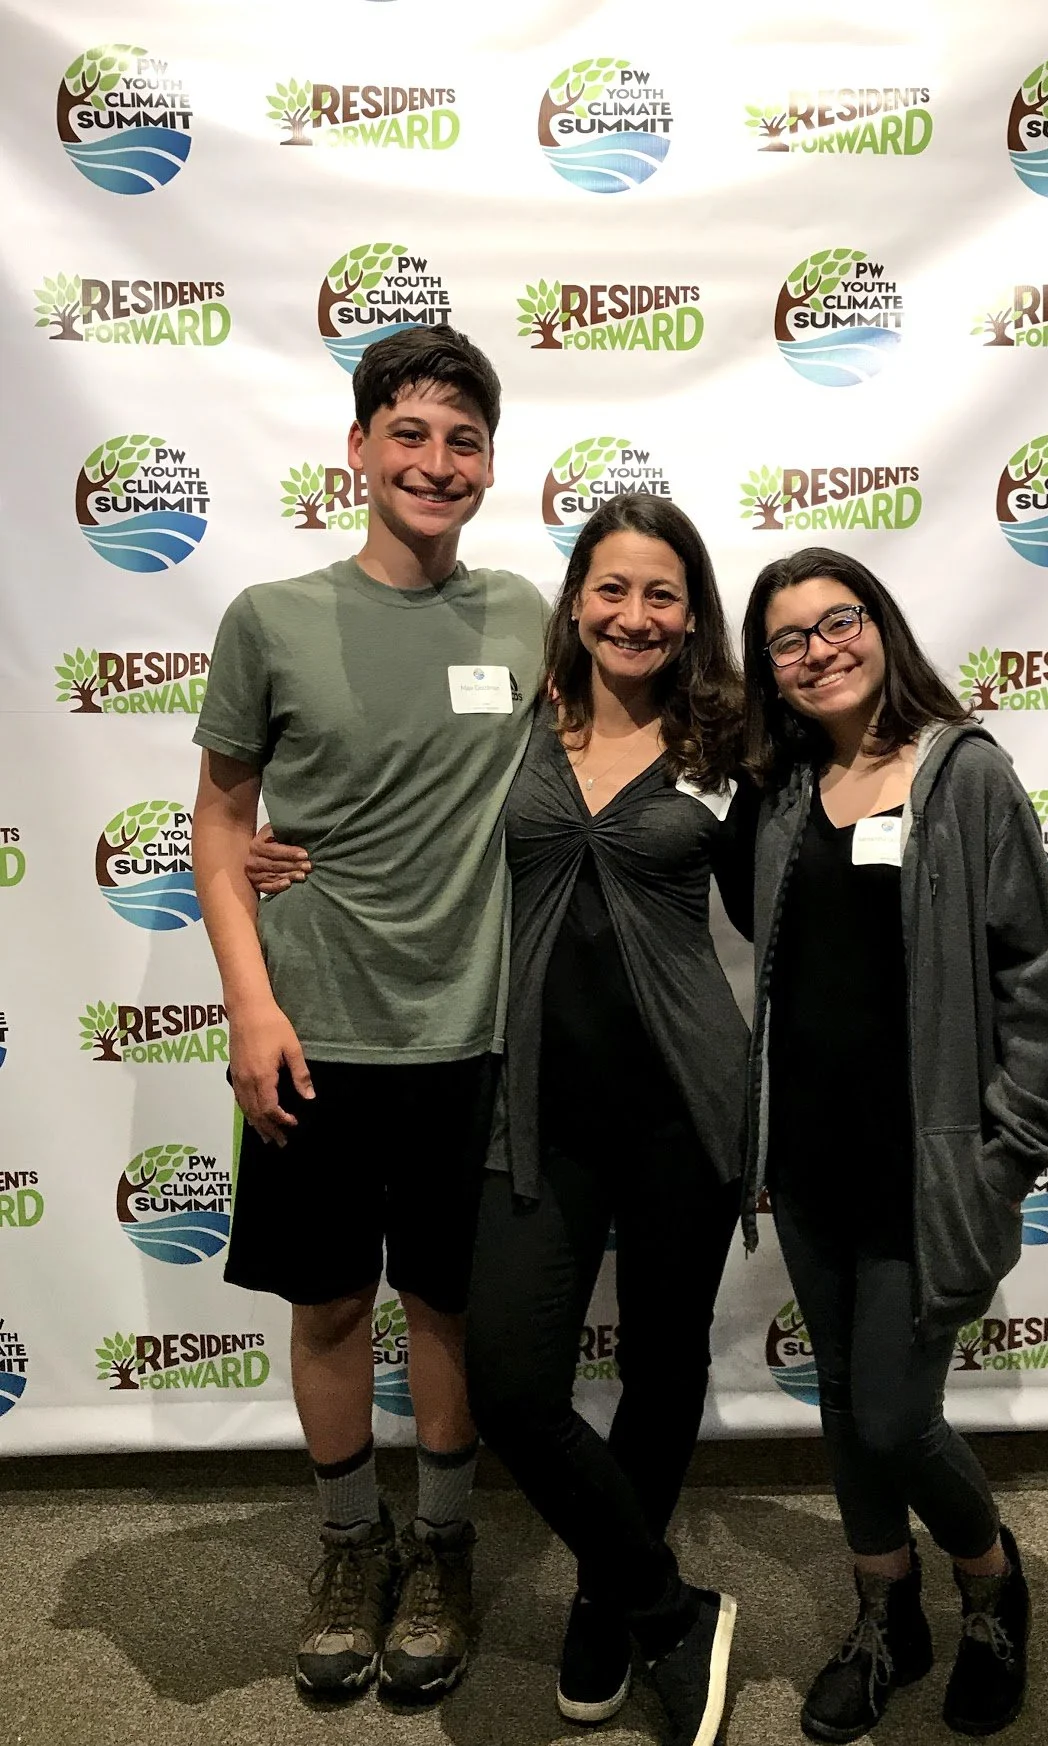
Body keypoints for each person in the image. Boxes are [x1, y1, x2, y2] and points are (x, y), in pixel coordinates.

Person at [249, 493, 751, 1746]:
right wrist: (274, 852)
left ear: (691, 616)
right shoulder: (519, 724)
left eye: (662, 595)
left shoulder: (729, 745)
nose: (634, 616)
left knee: (662, 1365)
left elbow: (798, 889)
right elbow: (392, 795)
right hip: (530, 1111)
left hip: (687, 1103)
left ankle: (605, 1593)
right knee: (517, 1386)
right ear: (572, 600)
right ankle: (663, 1603)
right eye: (611, 589)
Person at [191, 325, 549, 1704]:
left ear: (487, 465)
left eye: (461, 440)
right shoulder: (270, 619)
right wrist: (248, 1003)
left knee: (447, 1306)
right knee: (333, 1301)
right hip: (316, 1032)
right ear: (356, 451)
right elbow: (222, 826)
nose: (434, 461)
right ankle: (353, 1545)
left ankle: (445, 1547)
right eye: (407, 433)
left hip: (474, 1039)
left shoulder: (525, 615)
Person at [735, 547, 1048, 1741]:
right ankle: (885, 1610)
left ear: (879, 627)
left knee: (894, 1416)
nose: (817, 650)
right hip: (812, 1162)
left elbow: (1037, 984)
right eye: (787, 640)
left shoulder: (963, 779)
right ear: (769, 673)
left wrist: (1005, 1154)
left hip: (926, 1167)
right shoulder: (783, 798)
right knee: (842, 1400)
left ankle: (990, 1579)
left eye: (836, 621)